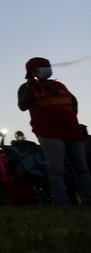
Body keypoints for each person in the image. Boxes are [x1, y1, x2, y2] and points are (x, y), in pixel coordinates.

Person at [17, 57, 91, 205]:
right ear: (33, 71)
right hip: (48, 132)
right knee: (56, 167)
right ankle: (61, 201)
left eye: (48, 65)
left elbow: (73, 100)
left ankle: (88, 199)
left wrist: (71, 115)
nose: (48, 68)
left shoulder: (59, 85)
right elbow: (23, 106)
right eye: (44, 66)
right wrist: (31, 86)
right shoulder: (26, 87)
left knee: (81, 166)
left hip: (72, 130)